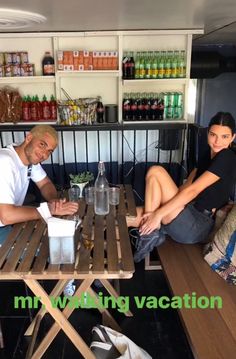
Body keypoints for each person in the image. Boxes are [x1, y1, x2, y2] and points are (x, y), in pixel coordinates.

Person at [128, 112, 236, 262]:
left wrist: (158, 214)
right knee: (124, 216)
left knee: (156, 171)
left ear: (233, 137)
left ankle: (150, 235)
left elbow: (193, 191)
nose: (217, 141)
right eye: (213, 135)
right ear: (207, 133)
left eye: (224, 136)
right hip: (184, 211)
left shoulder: (227, 157)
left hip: (198, 225)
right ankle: (106, 267)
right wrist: (156, 211)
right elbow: (185, 189)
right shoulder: (206, 156)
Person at [0, 124, 78, 245]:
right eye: (42, 144)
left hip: (10, 223)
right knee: (45, 253)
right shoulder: (5, 162)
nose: (44, 155)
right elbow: (6, 216)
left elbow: (45, 183)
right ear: (29, 138)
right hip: (4, 226)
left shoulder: (29, 159)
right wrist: (47, 210)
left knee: (59, 241)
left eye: (49, 151)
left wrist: (54, 201)